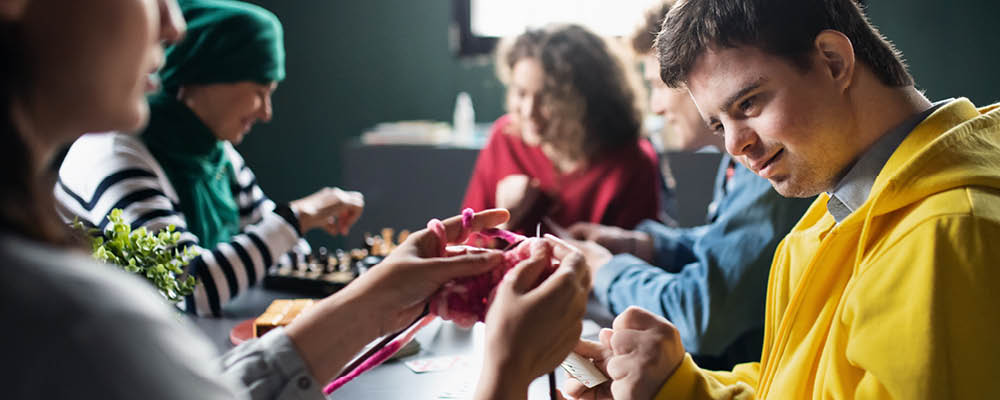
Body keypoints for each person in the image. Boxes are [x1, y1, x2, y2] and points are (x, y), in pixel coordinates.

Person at [0, 0, 590, 399]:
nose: (173, 25)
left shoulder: (213, 160)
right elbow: (198, 283)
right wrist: (508, 372)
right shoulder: (75, 321)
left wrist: (380, 293)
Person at [564, 0, 1000, 398]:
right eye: (718, 125)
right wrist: (671, 386)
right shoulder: (833, 214)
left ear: (833, 62)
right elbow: (797, 385)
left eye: (749, 104)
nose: (735, 145)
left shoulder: (947, 232)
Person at [55, 0, 363, 317]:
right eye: (260, 90)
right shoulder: (114, 153)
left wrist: (289, 228)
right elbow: (188, 288)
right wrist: (299, 216)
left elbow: (283, 253)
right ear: (207, 75)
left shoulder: (216, 154)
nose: (265, 112)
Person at [566, 0, 814, 370]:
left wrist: (603, 269)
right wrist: (646, 245)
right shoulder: (737, 160)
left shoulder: (769, 164)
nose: (657, 107)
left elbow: (701, 314)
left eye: (659, 86)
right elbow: (728, 247)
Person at [462, 24, 663, 235]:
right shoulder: (504, 139)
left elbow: (635, 261)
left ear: (586, 100)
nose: (529, 111)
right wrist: (502, 221)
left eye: (548, 98)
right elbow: (469, 243)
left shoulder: (631, 163)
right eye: (521, 93)